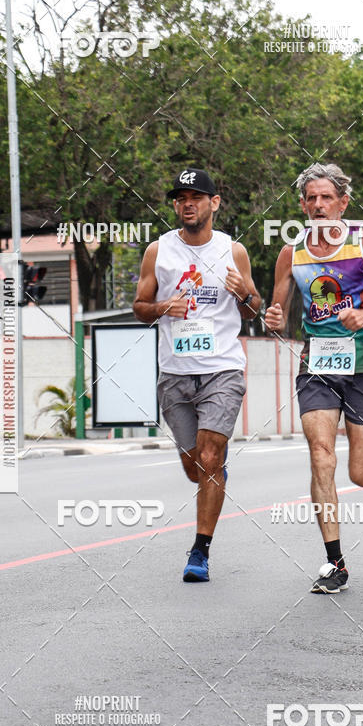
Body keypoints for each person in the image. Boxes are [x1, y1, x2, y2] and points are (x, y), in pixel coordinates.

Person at [265, 162, 363, 594]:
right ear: (303, 206)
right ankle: (335, 562)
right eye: (311, 198)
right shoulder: (292, 253)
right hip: (319, 365)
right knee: (321, 454)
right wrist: (271, 317)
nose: (319, 205)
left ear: (343, 203)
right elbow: (278, 311)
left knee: (361, 473)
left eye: (327, 197)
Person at [133, 167, 261, 582]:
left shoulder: (232, 250)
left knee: (209, 456)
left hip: (222, 367)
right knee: (196, 466)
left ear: (214, 203)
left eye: (195, 197)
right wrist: (160, 308)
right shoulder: (158, 251)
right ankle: (214, 476)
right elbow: (139, 306)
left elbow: (254, 308)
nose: (187, 204)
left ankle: (200, 551)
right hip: (175, 372)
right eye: (180, 198)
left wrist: (244, 293)